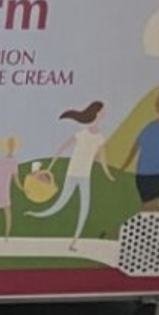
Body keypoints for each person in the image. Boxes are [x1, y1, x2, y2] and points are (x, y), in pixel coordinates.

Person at [42, 101, 115, 247]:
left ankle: (74, 242)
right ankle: (37, 215)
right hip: (73, 173)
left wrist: (108, 174)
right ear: (97, 113)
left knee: (84, 208)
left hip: (84, 176)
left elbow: (102, 158)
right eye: (103, 111)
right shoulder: (81, 134)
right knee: (60, 202)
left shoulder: (100, 137)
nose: (104, 113)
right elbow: (62, 148)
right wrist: (50, 167)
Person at [118, 91, 159, 212]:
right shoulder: (149, 127)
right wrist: (123, 167)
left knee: (151, 210)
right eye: (157, 101)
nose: (156, 103)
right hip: (143, 175)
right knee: (149, 209)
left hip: (157, 174)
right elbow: (135, 147)